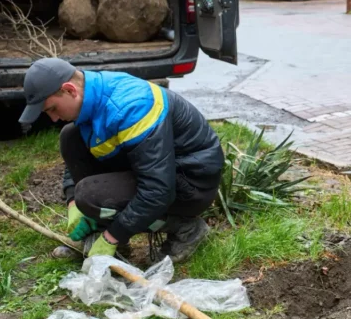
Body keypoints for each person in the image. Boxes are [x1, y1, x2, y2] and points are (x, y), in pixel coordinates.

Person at [18, 58, 224, 264]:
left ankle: (185, 228)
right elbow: (83, 152)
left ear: (70, 90)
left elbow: (158, 190)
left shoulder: (131, 108)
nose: (53, 118)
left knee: (90, 197)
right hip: (158, 168)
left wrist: (112, 237)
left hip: (191, 183)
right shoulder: (91, 95)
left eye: (52, 109)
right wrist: (73, 202)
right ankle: (100, 229)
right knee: (71, 137)